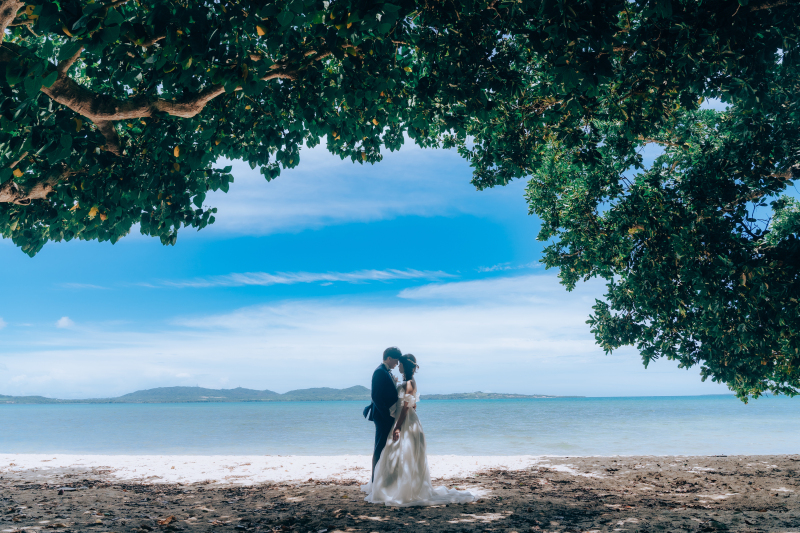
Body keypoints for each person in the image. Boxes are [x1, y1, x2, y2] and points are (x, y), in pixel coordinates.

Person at [362, 353, 476, 506]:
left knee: (401, 454)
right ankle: (392, 486)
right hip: (405, 420)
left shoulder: (409, 382)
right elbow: (410, 402)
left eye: (400, 363)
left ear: (404, 366)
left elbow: (406, 407)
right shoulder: (407, 381)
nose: (398, 365)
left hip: (405, 421)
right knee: (396, 454)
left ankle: (399, 488)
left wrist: (397, 427)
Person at [363, 346, 401, 482]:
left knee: (384, 447)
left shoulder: (386, 371)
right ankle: (375, 481)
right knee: (379, 447)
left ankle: (382, 479)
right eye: (395, 361)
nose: (396, 365)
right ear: (389, 358)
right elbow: (376, 397)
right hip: (382, 417)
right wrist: (387, 416)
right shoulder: (380, 372)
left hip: (386, 416)